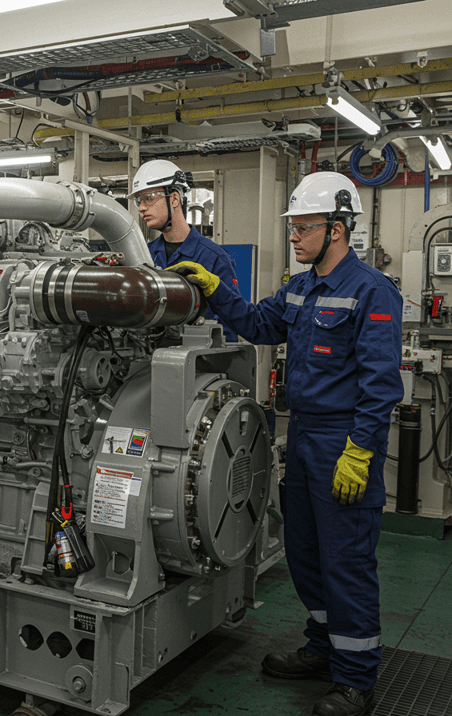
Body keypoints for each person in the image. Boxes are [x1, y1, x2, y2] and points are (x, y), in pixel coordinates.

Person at [168, 171, 402, 716]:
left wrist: (361, 451)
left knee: (345, 562)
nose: (294, 237)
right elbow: (256, 323)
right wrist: (213, 288)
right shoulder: (300, 288)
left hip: (343, 441)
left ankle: (356, 678)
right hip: (300, 438)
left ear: (337, 230)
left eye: (303, 228)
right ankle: (323, 650)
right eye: (293, 227)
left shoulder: (372, 291)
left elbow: (381, 384)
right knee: (304, 554)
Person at [128, 159, 241, 341]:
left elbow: (229, 325)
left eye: (148, 198)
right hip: (148, 359)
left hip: (196, 363)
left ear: (174, 198)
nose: (141, 207)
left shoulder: (214, 257)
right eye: (138, 201)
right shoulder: (144, 255)